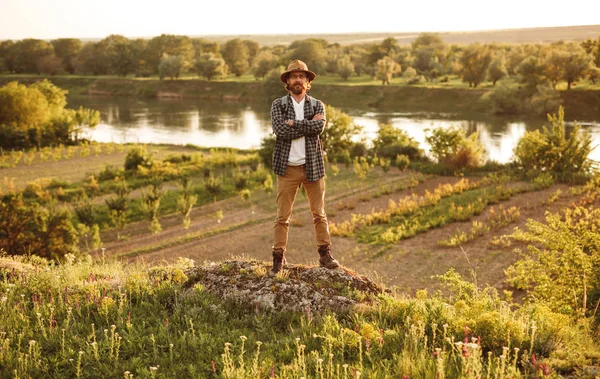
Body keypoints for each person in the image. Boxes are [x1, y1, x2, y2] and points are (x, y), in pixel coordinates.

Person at [269, 59, 340, 277]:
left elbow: (318, 128)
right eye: (294, 76)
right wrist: (305, 126)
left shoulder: (317, 105)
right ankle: (278, 259)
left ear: (308, 82)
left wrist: (294, 124)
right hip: (287, 169)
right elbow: (280, 130)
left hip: (313, 168)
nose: (298, 79)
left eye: (302, 76)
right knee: (282, 217)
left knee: (319, 214)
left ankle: (325, 254)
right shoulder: (278, 105)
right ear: (288, 81)